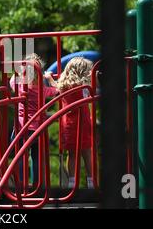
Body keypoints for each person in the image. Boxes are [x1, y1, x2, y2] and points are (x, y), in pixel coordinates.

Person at [9, 53, 58, 187]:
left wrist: (19, 71)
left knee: (20, 156)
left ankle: (21, 183)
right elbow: (57, 91)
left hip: (22, 128)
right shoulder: (42, 89)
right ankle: (37, 183)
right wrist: (49, 78)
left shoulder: (20, 86)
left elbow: (11, 81)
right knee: (37, 157)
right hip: (38, 129)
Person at [57, 57, 94, 189]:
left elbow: (54, 85)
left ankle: (72, 183)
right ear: (81, 72)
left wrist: (49, 78)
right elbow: (89, 98)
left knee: (71, 154)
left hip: (68, 125)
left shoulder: (63, 85)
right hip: (83, 123)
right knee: (87, 153)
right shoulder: (84, 86)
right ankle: (91, 182)